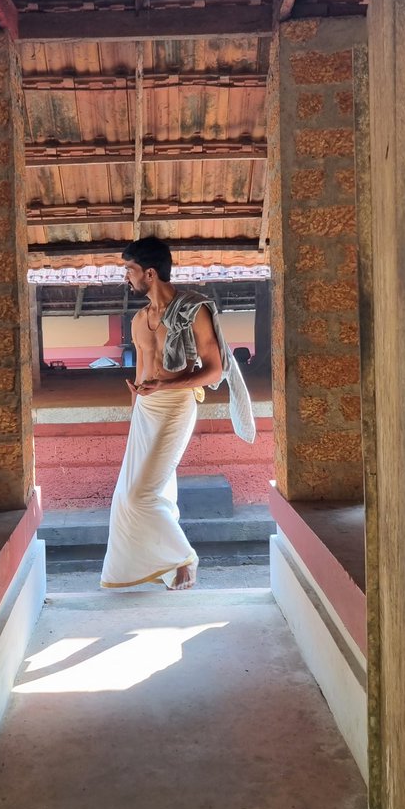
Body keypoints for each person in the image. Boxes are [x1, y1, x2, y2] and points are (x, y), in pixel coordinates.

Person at [100, 236, 256, 592]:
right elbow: (142, 374)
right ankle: (166, 568)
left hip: (176, 407)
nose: (126, 277)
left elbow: (214, 371)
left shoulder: (193, 309)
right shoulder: (139, 319)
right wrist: (137, 406)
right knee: (128, 496)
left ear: (150, 273)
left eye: (130, 270)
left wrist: (166, 385)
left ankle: (184, 559)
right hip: (145, 412)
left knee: (141, 495)